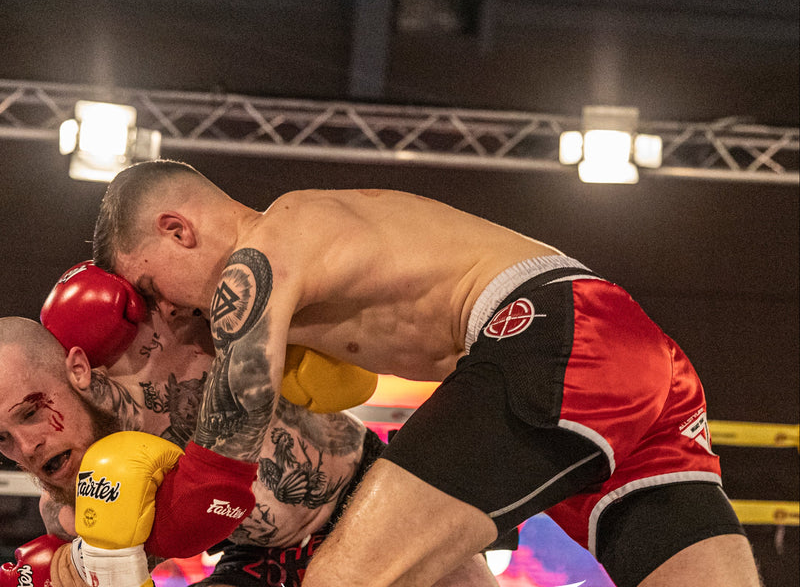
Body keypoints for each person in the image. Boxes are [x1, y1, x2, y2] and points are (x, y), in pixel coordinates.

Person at [91, 158, 761, 587]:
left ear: (177, 229)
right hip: (622, 351)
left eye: (150, 288)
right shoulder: (310, 247)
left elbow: (230, 440)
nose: (165, 311)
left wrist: (127, 547)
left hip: (551, 336)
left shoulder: (260, 256)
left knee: (343, 581)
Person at [0, 265, 499, 586]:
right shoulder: (70, 509)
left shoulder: (160, 334)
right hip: (261, 560)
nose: (26, 447)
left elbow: (254, 265)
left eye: (30, 411)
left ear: (77, 368)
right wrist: (70, 571)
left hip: (372, 495)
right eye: (1, 439)